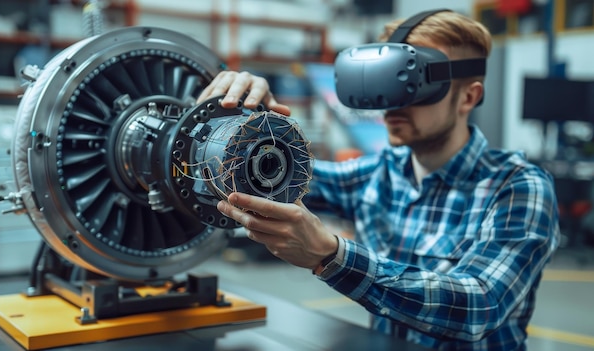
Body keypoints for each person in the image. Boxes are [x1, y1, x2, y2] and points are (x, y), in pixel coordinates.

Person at [197, 9, 560, 351]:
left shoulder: (518, 186)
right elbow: (272, 174)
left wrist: (332, 255)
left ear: (468, 96)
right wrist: (247, 121)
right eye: (387, 83)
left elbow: (480, 305)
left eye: (412, 84)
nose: (392, 104)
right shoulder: (378, 173)